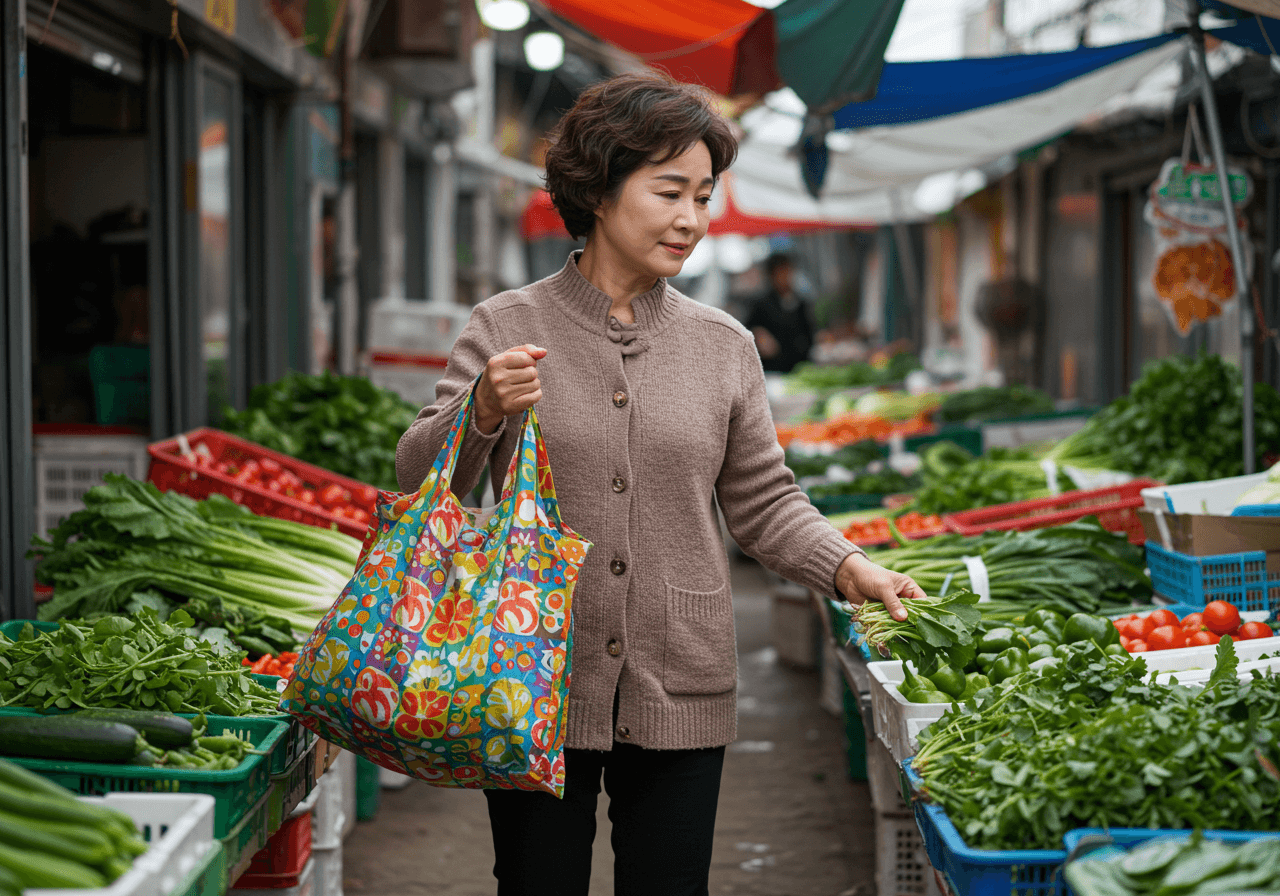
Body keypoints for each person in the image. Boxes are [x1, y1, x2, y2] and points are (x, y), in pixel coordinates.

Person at [395, 71, 925, 896]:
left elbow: (763, 498)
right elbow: (424, 477)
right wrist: (482, 409)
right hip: (533, 671)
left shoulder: (723, 345)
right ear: (601, 189)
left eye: (704, 197)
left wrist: (847, 566)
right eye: (669, 190)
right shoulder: (507, 325)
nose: (691, 219)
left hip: (681, 673)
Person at [745, 252, 815, 373]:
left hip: (801, 368)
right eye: (781, 272)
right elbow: (747, 329)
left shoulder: (802, 303)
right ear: (772, 276)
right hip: (773, 370)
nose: (786, 276)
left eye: (788, 271)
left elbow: (810, 333)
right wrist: (757, 334)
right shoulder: (761, 304)